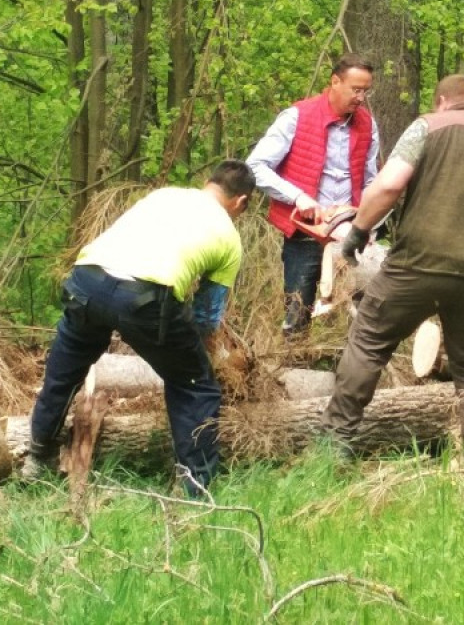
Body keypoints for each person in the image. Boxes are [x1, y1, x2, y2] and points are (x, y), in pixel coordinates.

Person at [322, 74, 464, 464]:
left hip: (417, 264)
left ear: (442, 101)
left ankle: (333, 447)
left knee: (369, 342)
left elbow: (389, 186)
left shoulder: (429, 125)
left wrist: (357, 233)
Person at [25, 160, 255, 493]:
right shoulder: (229, 237)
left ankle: (37, 455)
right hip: (145, 297)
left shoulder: (164, 196)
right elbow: (207, 314)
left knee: (65, 369)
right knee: (195, 387)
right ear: (241, 202)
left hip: (87, 280)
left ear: (208, 183)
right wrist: (204, 354)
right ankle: (196, 487)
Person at [246, 54, 381, 338]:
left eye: (366, 91)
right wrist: (297, 197)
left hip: (350, 233)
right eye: (356, 89)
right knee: (297, 312)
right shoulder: (297, 116)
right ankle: (293, 370)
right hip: (304, 231)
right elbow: (255, 166)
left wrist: (369, 223)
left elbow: (371, 181)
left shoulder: (367, 124)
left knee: (358, 315)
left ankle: (344, 372)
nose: (361, 97)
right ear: (335, 81)